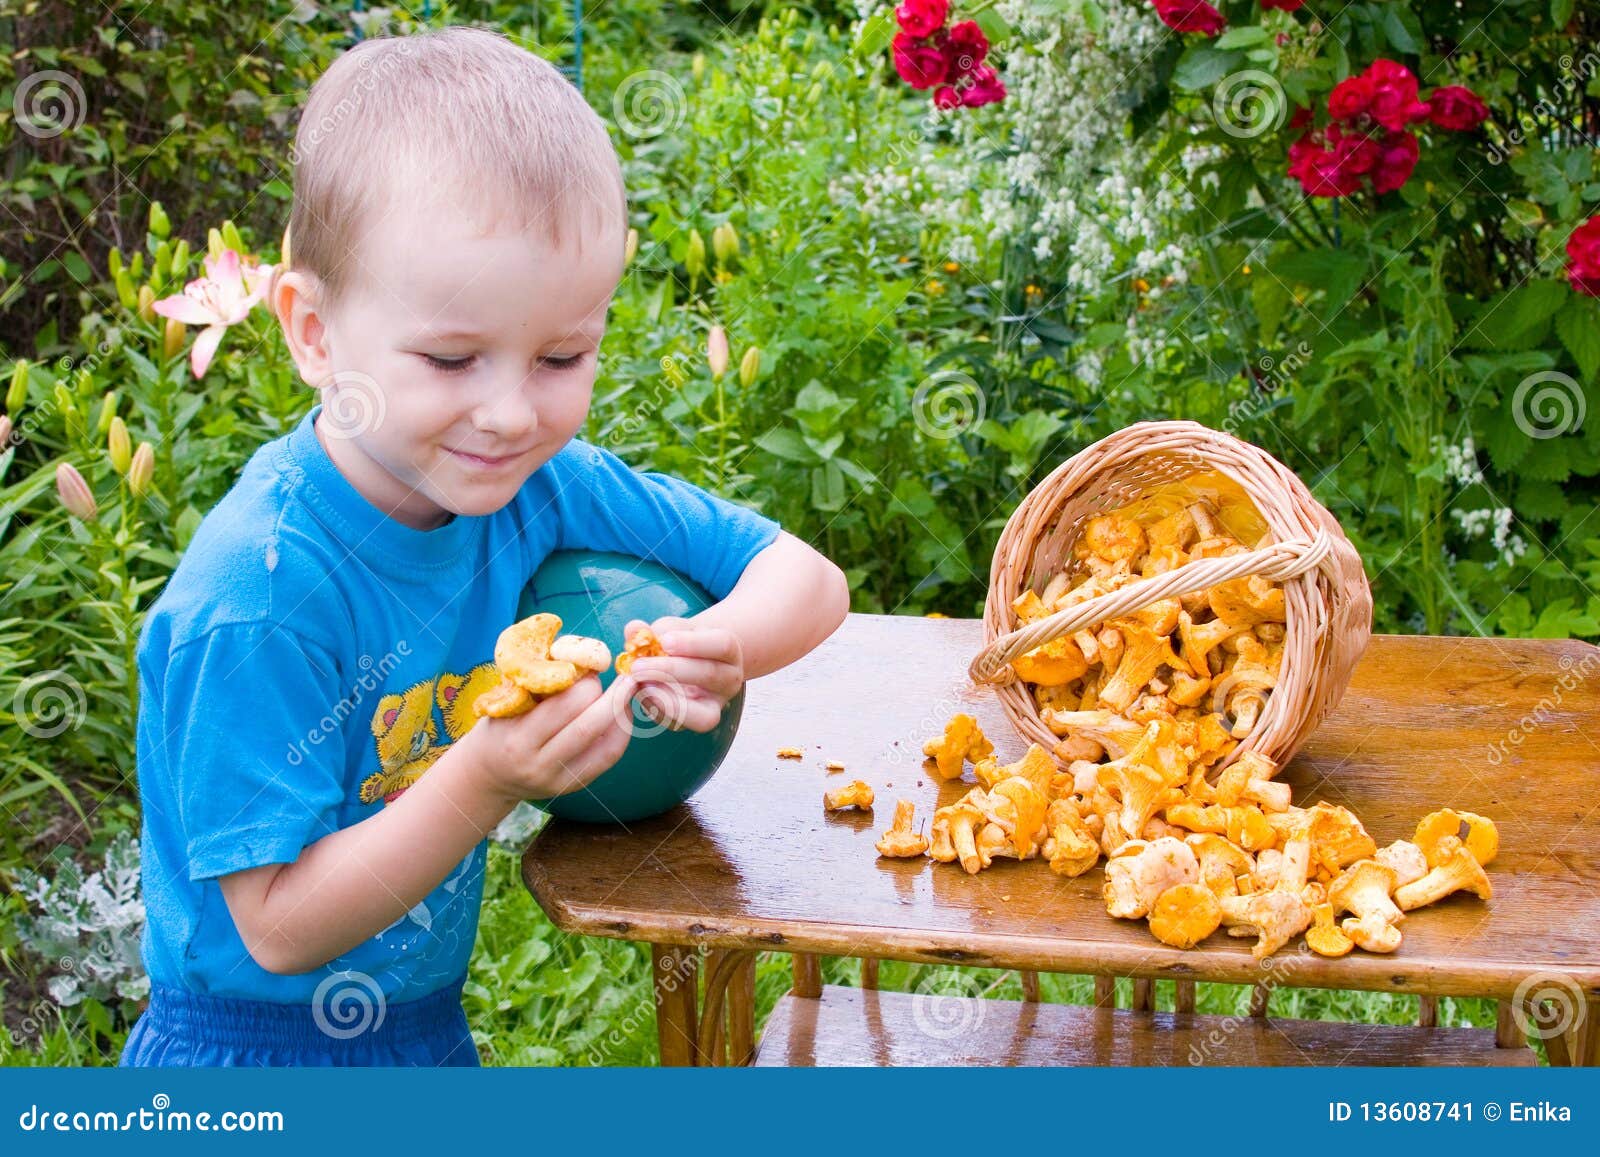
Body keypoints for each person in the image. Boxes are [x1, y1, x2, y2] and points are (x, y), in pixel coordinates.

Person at [120, 25, 849, 1067]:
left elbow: (807, 578)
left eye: (561, 353)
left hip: (423, 1027)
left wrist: (719, 642)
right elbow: (275, 927)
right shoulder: (259, 595)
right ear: (314, 333)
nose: (509, 413)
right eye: (453, 357)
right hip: (249, 1053)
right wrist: (485, 776)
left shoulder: (539, 490)